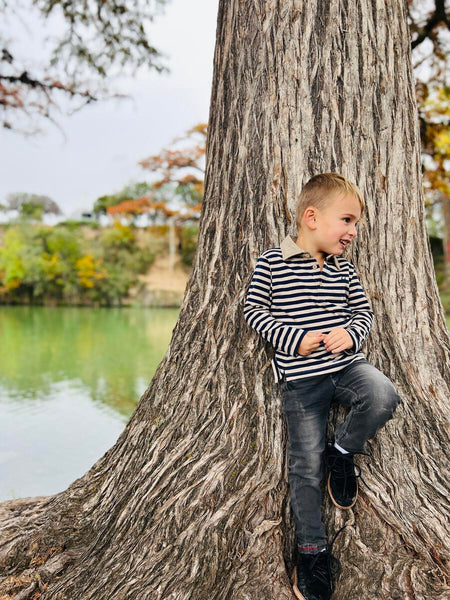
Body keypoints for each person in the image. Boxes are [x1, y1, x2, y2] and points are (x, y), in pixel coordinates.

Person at [243, 172, 402, 600]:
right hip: (302, 380)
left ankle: (344, 452)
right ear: (311, 217)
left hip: (348, 366)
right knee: (304, 468)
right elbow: (254, 311)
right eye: (346, 220)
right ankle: (312, 550)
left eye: (355, 225)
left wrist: (352, 333)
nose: (352, 232)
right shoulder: (273, 262)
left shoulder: (344, 270)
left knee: (383, 395)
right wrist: (295, 340)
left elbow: (363, 314)